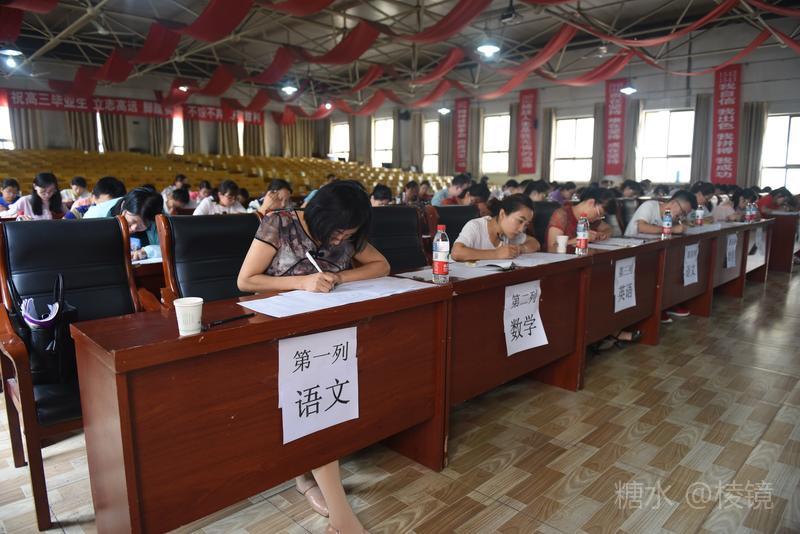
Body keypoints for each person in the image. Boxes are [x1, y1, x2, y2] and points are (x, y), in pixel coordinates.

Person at [237, 181, 388, 534]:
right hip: (275, 331)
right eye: (337, 233)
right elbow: (246, 280)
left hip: (324, 330)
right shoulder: (280, 223)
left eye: (347, 235)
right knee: (319, 391)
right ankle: (338, 512)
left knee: (336, 379)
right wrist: (301, 283)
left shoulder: (346, 232)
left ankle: (307, 477)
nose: (340, 240)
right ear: (320, 215)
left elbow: (381, 264)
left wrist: (338, 276)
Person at [450, 194, 540, 261]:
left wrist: (520, 248)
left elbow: (535, 243)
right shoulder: (476, 226)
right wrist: (497, 254)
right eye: (520, 221)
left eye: (526, 224)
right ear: (502, 214)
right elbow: (456, 253)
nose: (521, 229)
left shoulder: (510, 233)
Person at [546, 187, 616, 251]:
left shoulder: (591, 220)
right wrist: (581, 239)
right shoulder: (562, 215)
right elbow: (552, 248)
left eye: (601, 216)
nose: (598, 218)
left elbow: (608, 228)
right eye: (599, 213)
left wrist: (603, 234)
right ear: (590, 202)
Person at [108, 187, 164, 260]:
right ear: (123, 206)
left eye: (141, 225)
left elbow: (169, 247)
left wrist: (147, 251)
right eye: (133, 221)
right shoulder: (102, 216)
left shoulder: (156, 220)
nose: (134, 228)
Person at [624, 190, 697, 237]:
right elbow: (641, 227)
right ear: (673, 203)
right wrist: (672, 229)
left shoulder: (672, 218)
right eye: (683, 212)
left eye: (685, 215)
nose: (682, 216)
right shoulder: (649, 206)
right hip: (631, 247)